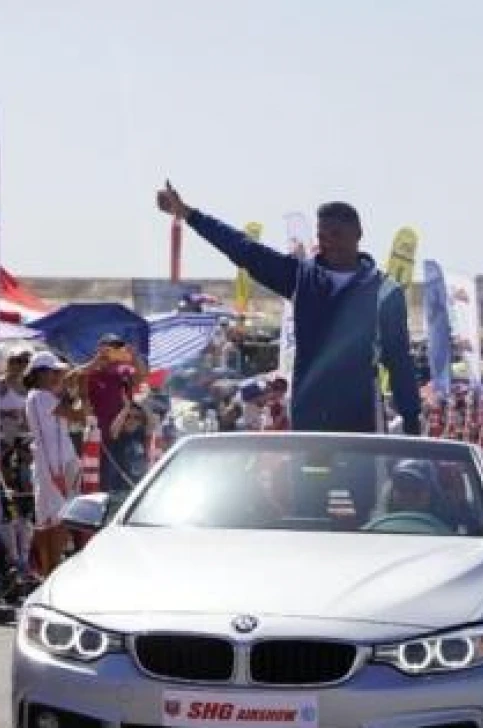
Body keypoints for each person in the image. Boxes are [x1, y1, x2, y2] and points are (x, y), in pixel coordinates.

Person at [156, 183, 422, 434]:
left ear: (358, 234)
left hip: (361, 417)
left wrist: (411, 423)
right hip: (309, 415)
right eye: (323, 235)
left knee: (361, 484)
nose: (329, 242)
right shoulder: (300, 277)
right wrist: (189, 214)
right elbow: (243, 248)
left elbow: (399, 362)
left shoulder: (385, 292)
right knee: (309, 484)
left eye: (337, 234)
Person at [24, 352, 86, 577]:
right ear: (41, 373)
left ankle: (47, 570)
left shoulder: (46, 396)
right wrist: (55, 472)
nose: (57, 377)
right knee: (57, 519)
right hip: (52, 466)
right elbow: (80, 415)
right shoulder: (40, 397)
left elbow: (77, 414)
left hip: (60, 463)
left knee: (52, 519)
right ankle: (49, 570)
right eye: (54, 372)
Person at [83, 334, 149, 492]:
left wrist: (134, 355)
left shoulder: (122, 371)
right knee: (101, 483)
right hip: (98, 437)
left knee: (122, 481)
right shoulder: (91, 372)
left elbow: (141, 376)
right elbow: (75, 378)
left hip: (122, 436)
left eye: (117, 347)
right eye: (110, 347)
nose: (113, 351)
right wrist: (97, 360)